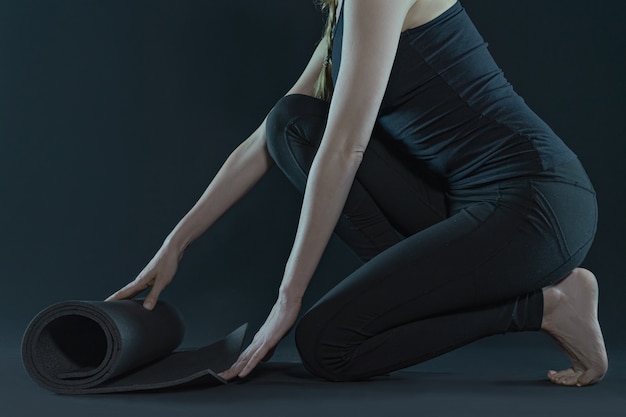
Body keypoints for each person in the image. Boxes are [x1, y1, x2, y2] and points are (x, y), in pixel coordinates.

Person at [106, 0, 608, 387]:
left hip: (535, 205)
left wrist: (288, 298)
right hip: (465, 205)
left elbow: (346, 147)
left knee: (327, 346)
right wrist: (176, 244)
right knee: (292, 122)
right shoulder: (346, 12)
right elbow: (265, 139)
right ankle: (501, 298)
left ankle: (549, 306)